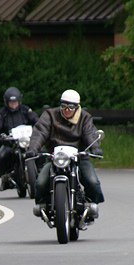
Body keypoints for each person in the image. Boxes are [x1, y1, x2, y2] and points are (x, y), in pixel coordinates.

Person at [27, 89, 104, 219]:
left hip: (79, 157)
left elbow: (89, 133)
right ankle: (44, 206)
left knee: (93, 182)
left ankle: (90, 206)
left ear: (77, 107)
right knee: (40, 183)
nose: (67, 109)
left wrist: (95, 147)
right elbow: (40, 132)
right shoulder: (50, 115)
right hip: (55, 157)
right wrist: (33, 148)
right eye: (64, 106)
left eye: (71, 107)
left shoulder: (84, 117)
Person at [0, 87, 39, 190]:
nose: (13, 104)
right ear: (6, 102)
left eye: (15, 102)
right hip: (10, 142)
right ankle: (5, 177)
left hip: (26, 140)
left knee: (40, 151)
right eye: (11, 102)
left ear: (19, 101)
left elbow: (35, 119)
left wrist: (39, 129)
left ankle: (41, 171)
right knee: (1, 156)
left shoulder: (26, 110)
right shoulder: (3, 113)